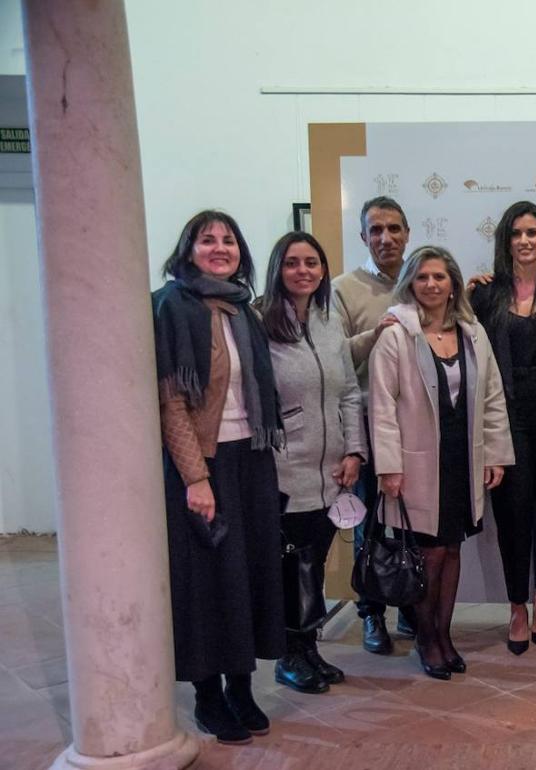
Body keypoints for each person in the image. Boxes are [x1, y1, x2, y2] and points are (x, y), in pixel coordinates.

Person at [152, 210, 284, 745]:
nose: (220, 247)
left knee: (250, 571)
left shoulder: (241, 309)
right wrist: (196, 477)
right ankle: (209, 695)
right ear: (188, 250)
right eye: (208, 240)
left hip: (251, 455)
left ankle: (242, 685)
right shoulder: (171, 306)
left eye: (229, 239)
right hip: (203, 463)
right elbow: (171, 402)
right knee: (207, 581)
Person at [370, 245, 514, 679]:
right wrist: (389, 467)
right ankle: (426, 638)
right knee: (427, 554)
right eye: (422, 278)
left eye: (439, 277)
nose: (431, 285)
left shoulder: (472, 332)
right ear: (410, 284)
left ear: (453, 283)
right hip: (416, 464)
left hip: (461, 458)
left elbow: (491, 396)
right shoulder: (397, 335)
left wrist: (495, 453)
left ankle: (444, 635)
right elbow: (382, 405)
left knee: (452, 550)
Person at [258, 232, 367, 694]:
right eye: (292, 263)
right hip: (286, 469)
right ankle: (288, 654)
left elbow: (346, 392)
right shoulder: (259, 321)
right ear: (277, 270)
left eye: (312, 262)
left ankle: (308, 647)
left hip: (331, 471)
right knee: (289, 566)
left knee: (314, 565)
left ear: (323, 270)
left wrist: (354, 451)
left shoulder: (328, 322)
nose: (303, 270)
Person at [469, 201, 536, 655]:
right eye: (516, 233)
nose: (525, 241)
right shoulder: (484, 295)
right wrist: (461, 288)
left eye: (533, 232)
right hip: (503, 420)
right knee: (511, 517)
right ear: (505, 241)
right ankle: (516, 606)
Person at [331, 196, 409, 654]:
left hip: (418, 430)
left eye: (394, 228)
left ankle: (412, 608)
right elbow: (336, 359)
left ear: (407, 233)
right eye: (376, 229)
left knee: (414, 523)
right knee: (371, 526)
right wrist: (375, 333)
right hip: (366, 426)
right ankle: (372, 615)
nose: (386, 238)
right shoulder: (343, 288)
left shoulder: (424, 279)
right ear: (363, 237)